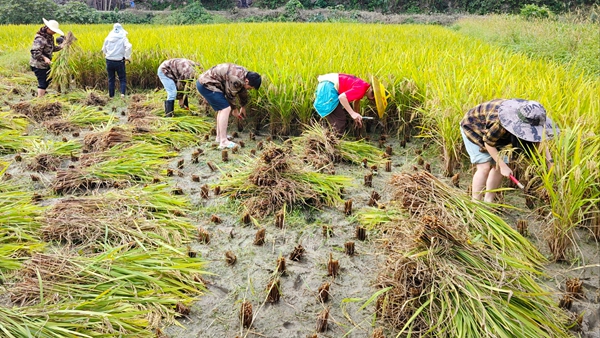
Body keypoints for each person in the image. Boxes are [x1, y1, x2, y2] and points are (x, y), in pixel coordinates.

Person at [460, 99, 557, 202]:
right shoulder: (502, 121)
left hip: (494, 133)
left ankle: (488, 202)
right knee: (484, 167)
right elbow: (488, 143)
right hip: (474, 126)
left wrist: (550, 162)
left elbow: (539, 140)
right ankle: (476, 203)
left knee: (500, 165)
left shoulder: (533, 118)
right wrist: (503, 166)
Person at [196, 63, 261, 149]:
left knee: (221, 109)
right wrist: (234, 110)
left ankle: (219, 137)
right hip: (206, 85)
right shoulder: (236, 79)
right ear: (247, 81)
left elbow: (242, 91)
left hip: (208, 84)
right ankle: (223, 141)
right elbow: (230, 95)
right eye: (250, 87)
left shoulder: (244, 74)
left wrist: (243, 106)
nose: (249, 89)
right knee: (226, 109)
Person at [29, 18, 64, 98]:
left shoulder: (50, 37)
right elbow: (35, 52)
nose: (55, 32)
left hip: (45, 64)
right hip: (38, 64)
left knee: (49, 79)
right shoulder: (40, 39)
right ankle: (40, 99)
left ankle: (41, 93)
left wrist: (61, 47)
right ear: (48, 28)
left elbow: (51, 48)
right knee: (43, 82)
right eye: (53, 30)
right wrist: (45, 58)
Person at [102, 23, 132, 99]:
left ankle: (111, 96)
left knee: (111, 79)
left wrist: (107, 54)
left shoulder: (108, 37)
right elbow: (129, 46)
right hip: (119, 61)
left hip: (109, 61)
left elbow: (103, 49)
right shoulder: (123, 38)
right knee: (122, 78)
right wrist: (127, 57)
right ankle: (122, 94)